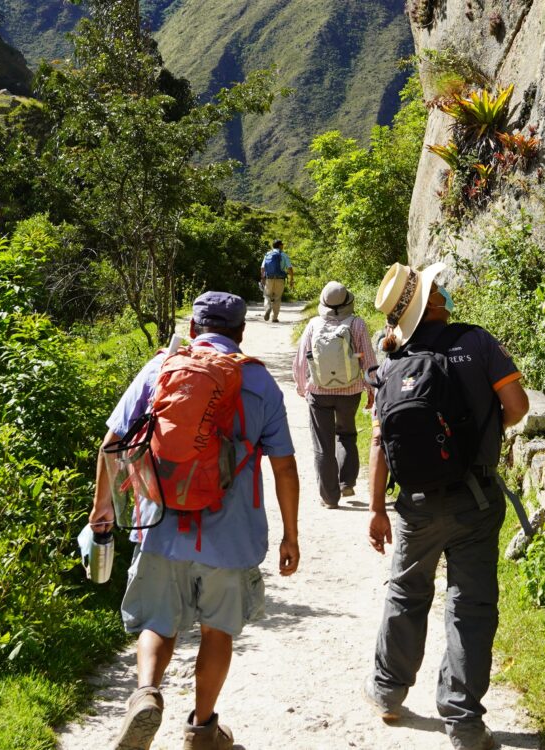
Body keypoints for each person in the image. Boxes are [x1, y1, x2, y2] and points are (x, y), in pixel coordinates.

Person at [91, 291, 302, 750]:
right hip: (230, 536)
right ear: (241, 333)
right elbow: (284, 465)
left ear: (192, 329)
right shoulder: (259, 383)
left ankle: (146, 694)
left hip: (160, 524)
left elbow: (112, 444)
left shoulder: (161, 369)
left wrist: (101, 512)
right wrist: (291, 534)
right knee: (217, 629)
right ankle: (202, 729)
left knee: (158, 620)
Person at [361, 262, 530, 750]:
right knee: (470, 606)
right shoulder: (476, 343)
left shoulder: (392, 360)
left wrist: (376, 508)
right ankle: (464, 724)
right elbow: (517, 407)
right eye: (439, 288)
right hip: (475, 501)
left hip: (413, 504)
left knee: (406, 594)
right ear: (433, 300)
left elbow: (379, 444)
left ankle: (388, 693)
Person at [293, 281, 377, 509]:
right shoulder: (357, 324)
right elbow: (368, 359)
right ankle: (346, 482)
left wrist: (302, 387)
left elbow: (302, 359)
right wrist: (372, 390)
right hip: (350, 392)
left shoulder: (313, 324)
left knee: (323, 444)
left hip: (319, 393)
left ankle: (330, 498)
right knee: (347, 434)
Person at [259, 240, 292, 322]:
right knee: (277, 298)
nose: (283, 246)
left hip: (269, 278)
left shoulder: (267, 254)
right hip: (280, 279)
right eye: (282, 245)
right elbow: (289, 268)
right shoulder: (283, 255)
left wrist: (263, 279)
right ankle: (274, 318)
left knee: (267, 295)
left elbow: (262, 268)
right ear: (280, 246)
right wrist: (292, 279)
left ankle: (268, 307)